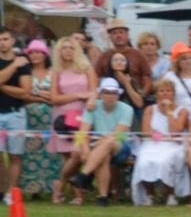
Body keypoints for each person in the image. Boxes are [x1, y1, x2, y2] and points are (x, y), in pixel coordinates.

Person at [68, 77, 136, 206]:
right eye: (107, 92)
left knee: (109, 142)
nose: (111, 96)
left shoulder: (127, 109)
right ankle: (102, 197)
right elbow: (83, 131)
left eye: (114, 93)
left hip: (121, 146)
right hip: (99, 146)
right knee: (103, 155)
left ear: (118, 95)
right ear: (101, 94)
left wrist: (94, 145)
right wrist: (85, 149)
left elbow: (119, 134)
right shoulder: (92, 107)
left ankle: (84, 176)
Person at [47, 36, 95, 203]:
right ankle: (76, 194)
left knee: (78, 153)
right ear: (58, 52)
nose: (67, 51)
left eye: (71, 48)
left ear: (77, 50)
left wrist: (87, 99)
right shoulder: (56, 71)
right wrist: (77, 95)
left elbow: (93, 93)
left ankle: (59, 185)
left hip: (83, 117)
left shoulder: (87, 68)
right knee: (68, 156)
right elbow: (54, 98)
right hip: (62, 117)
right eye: (64, 48)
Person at [130, 79, 190, 205]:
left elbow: (175, 132)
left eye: (168, 91)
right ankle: (150, 194)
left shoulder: (182, 111)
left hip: (173, 145)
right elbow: (146, 131)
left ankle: (170, 194)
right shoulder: (150, 110)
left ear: (173, 94)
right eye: (161, 91)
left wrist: (169, 111)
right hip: (152, 143)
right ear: (156, 94)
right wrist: (159, 137)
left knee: (164, 161)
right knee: (144, 161)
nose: (165, 94)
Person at [20, 39, 60, 200]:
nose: (35, 55)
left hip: (51, 118)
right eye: (32, 52)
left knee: (51, 154)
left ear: (45, 55)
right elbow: (22, 95)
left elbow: (56, 95)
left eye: (38, 52)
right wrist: (39, 96)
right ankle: (32, 189)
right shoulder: (24, 73)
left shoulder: (53, 72)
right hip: (30, 119)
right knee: (30, 154)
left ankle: (52, 189)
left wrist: (43, 97)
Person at [0, 28, 34, 197]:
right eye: (0, 39)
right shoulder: (18, 63)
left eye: (5, 39)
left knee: (15, 156)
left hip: (16, 114)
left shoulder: (24, 62)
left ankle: (11, 194)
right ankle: (1, 190)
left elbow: (26, 91)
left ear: (13, 41)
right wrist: (14, 66)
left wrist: (2, 85)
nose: (2, 42)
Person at [91, 18, 153, 99]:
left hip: (133, 99)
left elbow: (147, 79)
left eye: (121, 32)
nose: (118, 36)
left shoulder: (138, 55)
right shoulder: (104, 56)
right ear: (110, 37)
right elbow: (97, 78)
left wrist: (141, 95)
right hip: (109, 99)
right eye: (114, 33)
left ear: (127, 35)